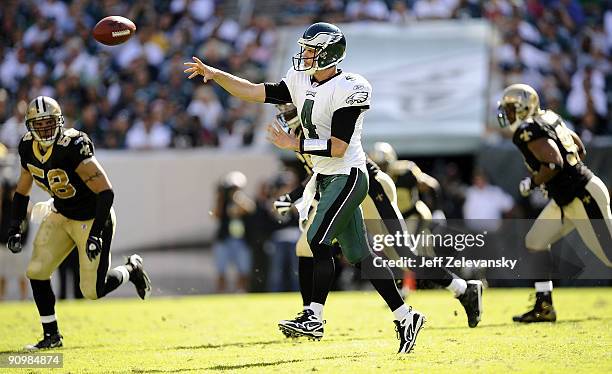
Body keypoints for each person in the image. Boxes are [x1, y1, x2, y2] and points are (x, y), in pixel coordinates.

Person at [185, 22, 425, 353]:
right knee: (360, 257)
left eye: (312, 50)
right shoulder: (299, 79)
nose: (305, 55)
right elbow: (254, 91)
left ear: (329, 54)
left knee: (315, 240)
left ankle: (313, 315)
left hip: (349, 174)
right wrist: (217, 74)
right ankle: (405, 315)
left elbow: (339, 146)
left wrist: (292, 142)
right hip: (326, 178)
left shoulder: (349, 87)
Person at [272, 104, 483, 330]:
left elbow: (331, 160)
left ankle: (463, 288)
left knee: (405, 257)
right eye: (283, 109)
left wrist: (298, 198)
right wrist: (300, 199)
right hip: (339, 187)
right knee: (305, 247)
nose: (285, 115)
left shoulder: (319, 123)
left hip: (369, 186)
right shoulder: (297, 135)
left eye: (289, 109)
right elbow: (320, 173)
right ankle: (308, 316)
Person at [6, 96, 151, 350]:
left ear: (59, 121)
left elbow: (105, 192)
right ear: (29, 126)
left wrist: (95, 234)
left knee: (92, 291)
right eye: (38, 125)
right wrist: (16, 226)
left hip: (93, 216)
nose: (44, 129)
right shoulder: (27, 147)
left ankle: (131, 269)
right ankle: (52, 335)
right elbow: (22, 190)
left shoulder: (73, 146)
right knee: (37, 271)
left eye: (48, 123)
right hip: (61, 213)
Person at [498, 83, 612, 323]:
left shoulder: (526, 130)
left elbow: (553, 163)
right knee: (535, 241)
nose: (506, 114)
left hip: (582, 196)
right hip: (567, 197)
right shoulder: (549, 117)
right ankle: (544, 306)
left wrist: (533, 181)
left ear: (523, 108)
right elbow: (579, 149)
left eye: (510, 108)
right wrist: (558, 182)